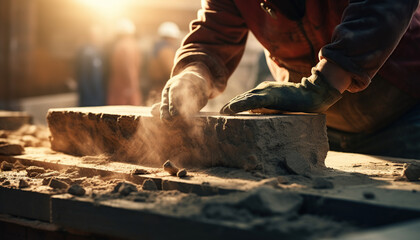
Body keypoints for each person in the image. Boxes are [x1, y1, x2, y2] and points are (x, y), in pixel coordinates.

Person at [156, 1, 420, 159]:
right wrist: (193, 73)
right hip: (311, 127)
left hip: (404, 114)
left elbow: (382, 6)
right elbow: (214, 31)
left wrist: (325, 85)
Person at [107, 18, 142, 106]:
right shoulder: (129, 45)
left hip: (120, 87)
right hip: (126, 88)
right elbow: (129, 68)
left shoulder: (120, 46)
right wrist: (132, 86)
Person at [144, 22, 181, 105]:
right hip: (162, 88)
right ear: (172, 37)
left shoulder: (156, 47)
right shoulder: (165, 49)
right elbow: (171, 70)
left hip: (156, 87)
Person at [75, 25, 106, 107]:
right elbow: (83, 76)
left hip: (97, 96)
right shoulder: (87, 52)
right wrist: (88, 96)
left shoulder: (97, 50)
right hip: (89, 99)